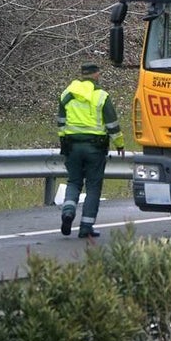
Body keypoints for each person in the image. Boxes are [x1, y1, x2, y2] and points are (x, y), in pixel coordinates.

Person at [57, 62, 125, 238]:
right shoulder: (101, 96)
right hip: (95, 147)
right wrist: (119, 143)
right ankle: (86, 227)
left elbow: (61, 123)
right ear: (96, 74)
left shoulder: (67, 94)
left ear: (82, 74)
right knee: (93, 187)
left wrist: (64, 142)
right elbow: (112, 124)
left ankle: (68, 211)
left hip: (72, 145)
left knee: (74, 182)